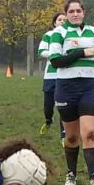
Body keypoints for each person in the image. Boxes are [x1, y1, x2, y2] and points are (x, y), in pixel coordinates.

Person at [49, 0, 94, 185]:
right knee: (71, 136)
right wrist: (81, 52)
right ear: (66, 14)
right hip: (66, 87)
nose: (75, 14)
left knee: (90, 132)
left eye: (79, 10)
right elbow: (56, 62)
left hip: (90, 86)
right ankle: (71, 173)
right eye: (71, 11)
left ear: (84, 12)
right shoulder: (59, 33)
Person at [38, 12, 66, 142]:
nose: (62, 21)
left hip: (65, 75)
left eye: (65, 20)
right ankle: (48, 120)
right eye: (60, 19)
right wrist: (54, 54)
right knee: (48, 106)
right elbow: (41, 51)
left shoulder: (70, 36)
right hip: (50, 75)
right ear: (54, 23)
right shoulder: (48, 35)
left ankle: (64, 135)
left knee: (64, 106)